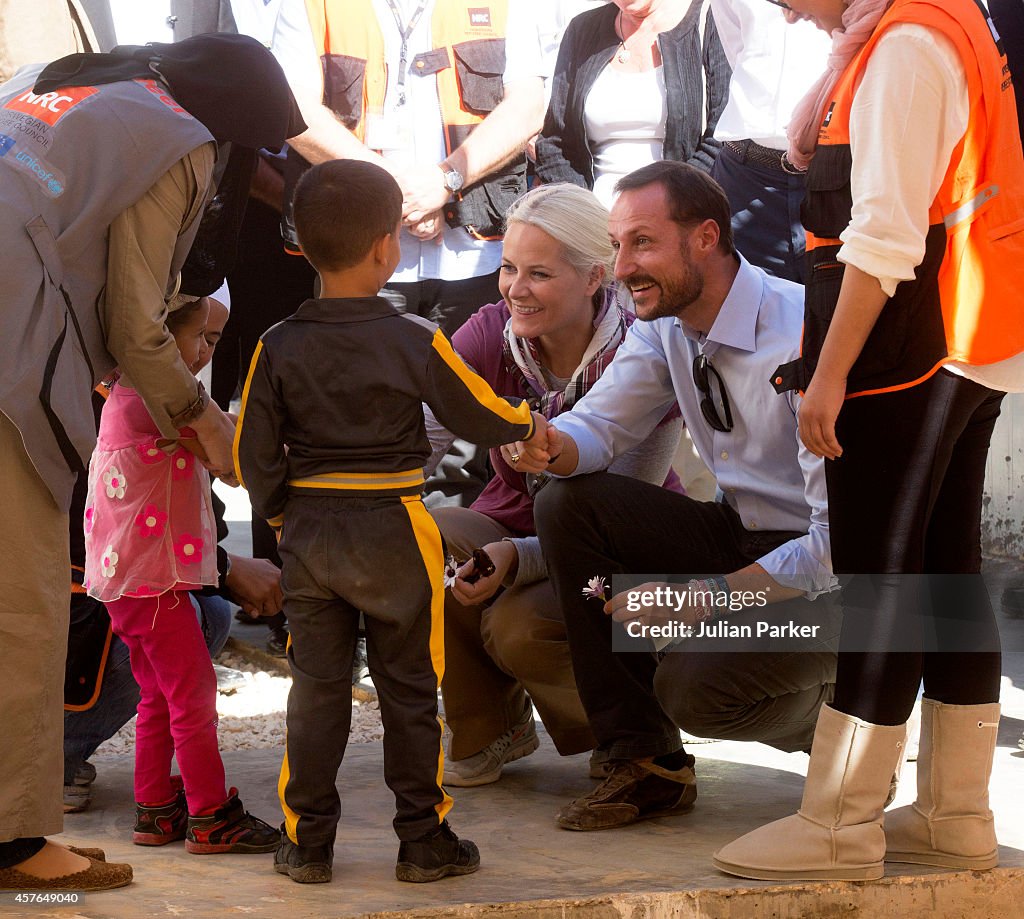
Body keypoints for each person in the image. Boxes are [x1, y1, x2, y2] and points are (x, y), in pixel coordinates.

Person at [713, 0, 1024, 882]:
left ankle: (840, 820)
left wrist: (829, 372)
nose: (776, 3)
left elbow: (885, 233)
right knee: (940, 575)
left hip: (913, 350)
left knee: (882, 580)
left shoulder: (907, 49)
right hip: (962, 341)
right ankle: (954, 812)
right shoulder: (915, 31)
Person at [0, 33, 302, 891]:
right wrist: (211, 426)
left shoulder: (72, 83)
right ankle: (16, 845)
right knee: (20, 601)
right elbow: (139, 326)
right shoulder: (178, 136)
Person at [234, 159, 549, 885]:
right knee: (410, 689)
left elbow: (254, 451)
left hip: (311, 532)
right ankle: (423, 839)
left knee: (315, 690)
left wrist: (285, 514)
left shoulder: (275, 344)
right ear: (387, 247)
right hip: (397, 529)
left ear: (300, 247)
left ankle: (307, 842)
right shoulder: (414, 337)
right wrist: (529, 419)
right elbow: (478, 412)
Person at [512, 160, 839, 831]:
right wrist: (548, 442)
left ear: (706, 239)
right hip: (741, 530)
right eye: (618, 243)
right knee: (567, 502)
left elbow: (837, 547)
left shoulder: (798, 331)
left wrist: (704, 599)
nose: (623, 265)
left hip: (845, 579)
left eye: (642, 243)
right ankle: (644, 761)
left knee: (692, 685)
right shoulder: (664, 323)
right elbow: (599, 424)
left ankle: (849, 721)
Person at [428, 182, 684, 787]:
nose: (516, 289)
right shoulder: (491, 332)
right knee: (422, 536)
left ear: (595, 277)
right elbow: (424, 435)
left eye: (538, 273)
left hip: (619, 552)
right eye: (509, 268)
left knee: (518, 626)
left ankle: (634, 733)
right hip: (512, 526)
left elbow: (618, 517)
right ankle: (492, 727)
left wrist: (513, 560)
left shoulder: (642, 348)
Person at [272, 0, 546, 507]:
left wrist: (445, 182)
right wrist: (393, 192)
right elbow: (293, 110)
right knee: (358, 433)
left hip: (475, 258)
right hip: (361, 265)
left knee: (468, 448)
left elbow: (528, 104)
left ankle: (454, 577)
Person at [63, 291, 283, 814]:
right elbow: (232, 458)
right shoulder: (161, 401)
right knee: (192, 696)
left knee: (159, 697)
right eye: (199, 337)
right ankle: (209, 813)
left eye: (215, 340)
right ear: (158, 342)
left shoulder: (125, 390)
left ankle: (155, 804)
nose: (206, 352)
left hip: (133, 584)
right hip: (153, 582)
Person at [534, 0, 730, 207]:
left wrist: (661, 203)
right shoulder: (583, 29)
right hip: (589, 217)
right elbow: (554, 142)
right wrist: (585, 212)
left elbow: (724, 140)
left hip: (683, 209)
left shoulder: (712, 18)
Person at [707, 0, 830, 281]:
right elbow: (737, 51)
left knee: (839, 312)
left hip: (837, 172)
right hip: (746, 177)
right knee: (742, 312)